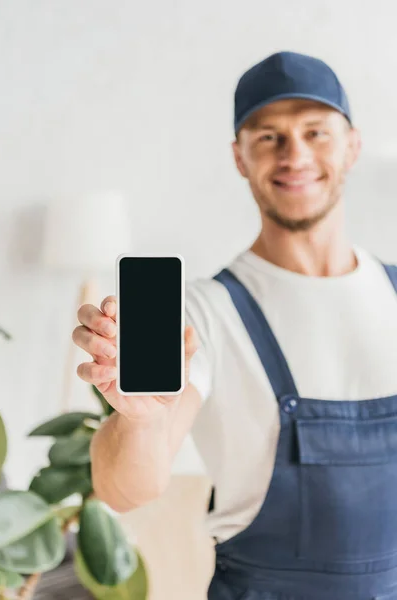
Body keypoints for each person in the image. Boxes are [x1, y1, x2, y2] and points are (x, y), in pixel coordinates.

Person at [72, 51, 397, 599]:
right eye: (269, 136)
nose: (294, 155)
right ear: (239, 157)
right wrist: (139, 422)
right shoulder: (203, 312)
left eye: (315, 132)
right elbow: (124, 491)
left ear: (352, 146)